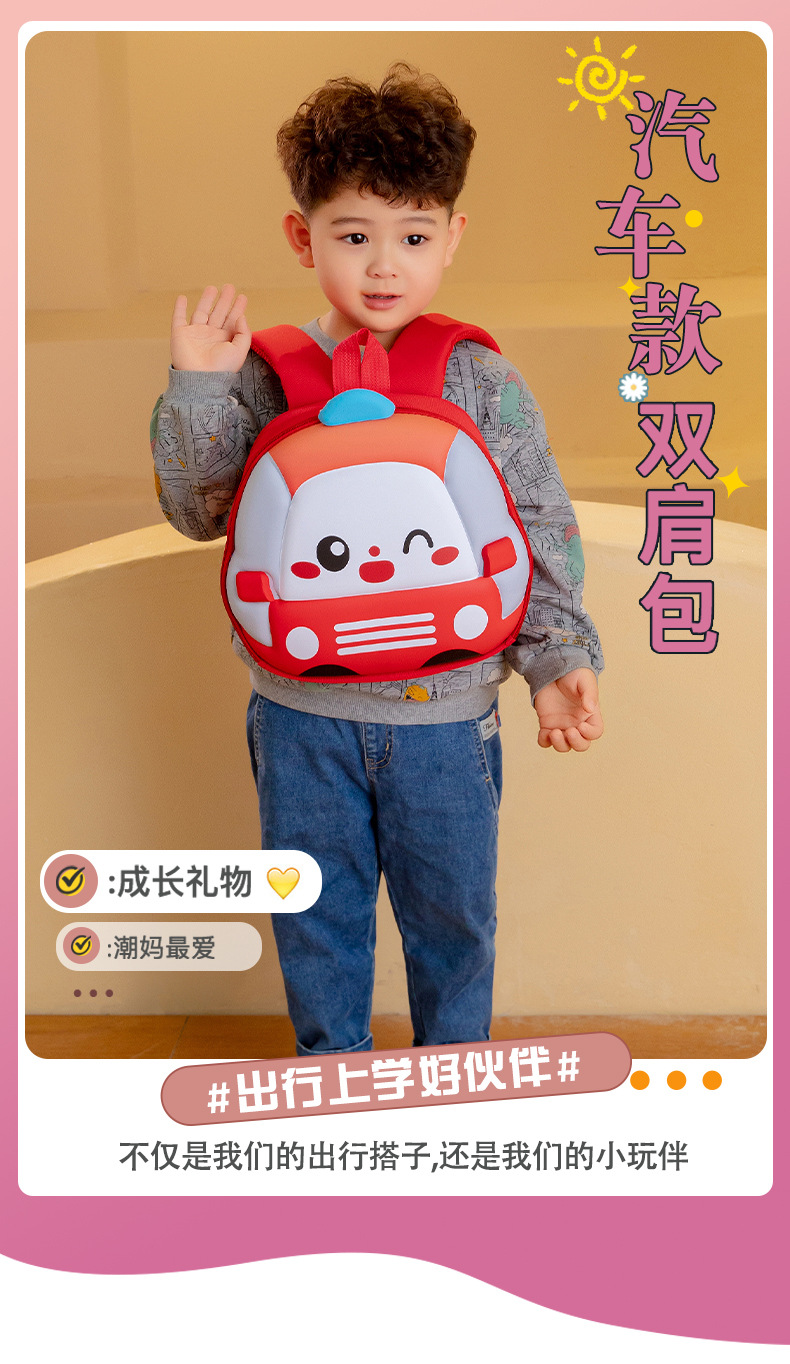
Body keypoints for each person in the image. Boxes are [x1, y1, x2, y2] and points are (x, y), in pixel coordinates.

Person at [152, 64, 604, 1057]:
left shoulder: (478, 376)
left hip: (447, 718)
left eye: (415, 236)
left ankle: (453, 1085)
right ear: (302, 235)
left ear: (453, 235)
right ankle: (334, 1087)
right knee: (317, 922)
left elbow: (537, 520)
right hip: (300, 717)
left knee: (455, 921)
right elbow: (201, 514)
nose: (385, 266)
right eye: (354, 236)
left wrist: (556, 658)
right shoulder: (264, 373)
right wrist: (199, 388)